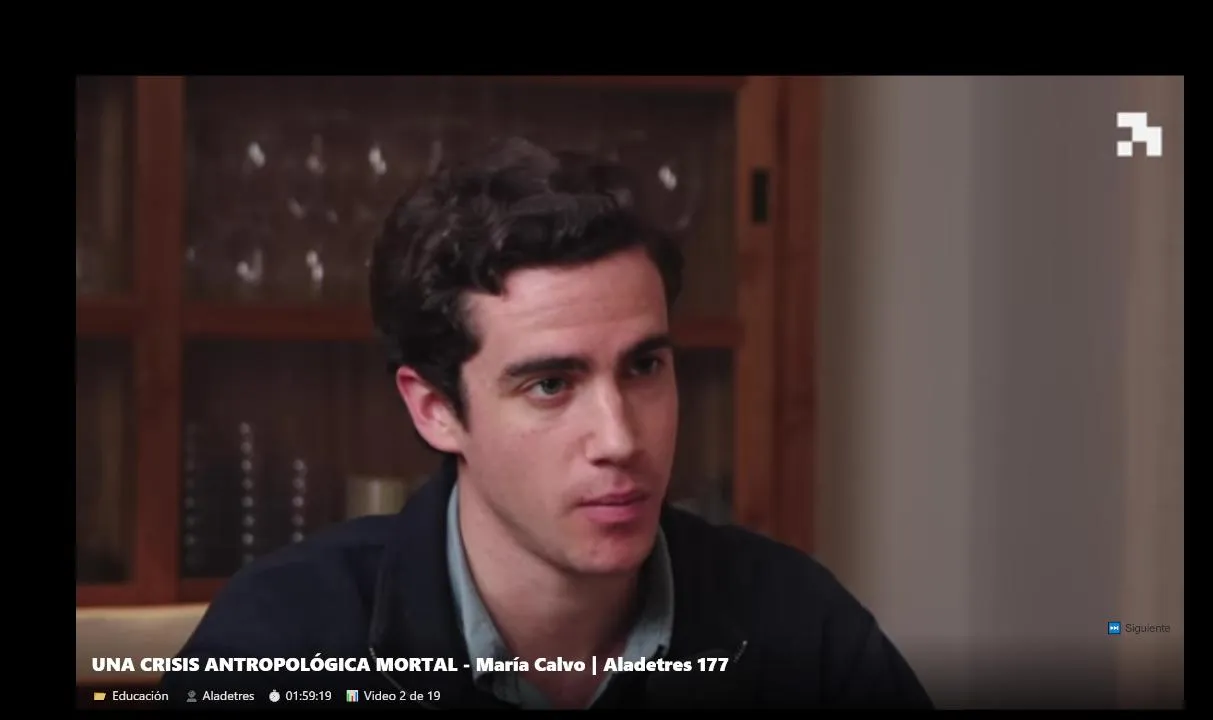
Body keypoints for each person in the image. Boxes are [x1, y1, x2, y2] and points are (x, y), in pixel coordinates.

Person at [159, 137, 933, 709]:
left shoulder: (795, 627)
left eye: (644, 367)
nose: (620, 440)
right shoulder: (283, 644)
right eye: (551, 385)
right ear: (435, 410)